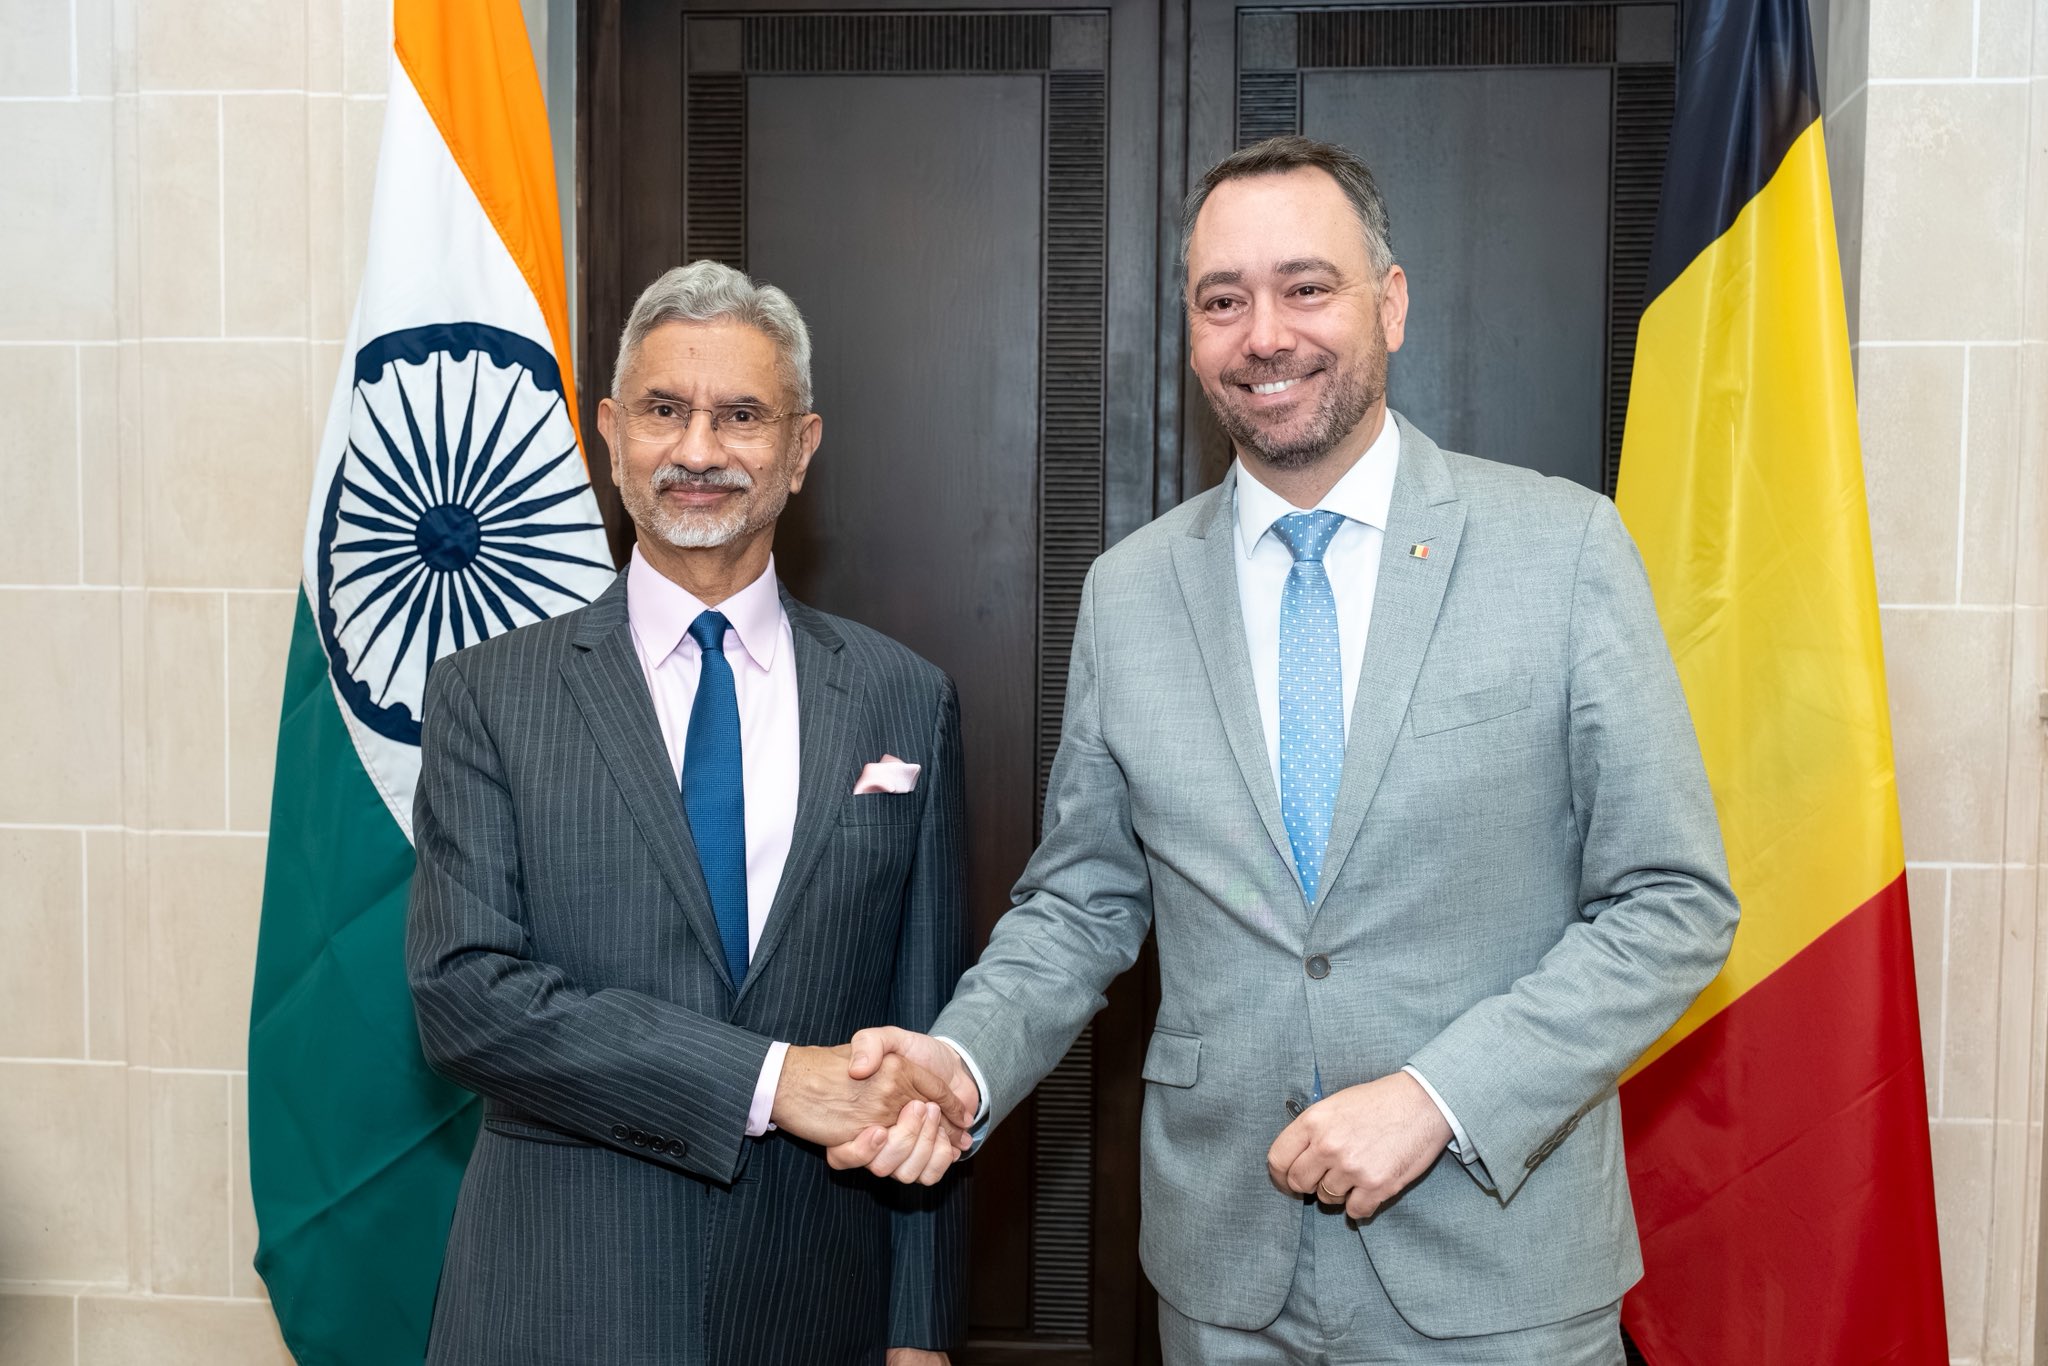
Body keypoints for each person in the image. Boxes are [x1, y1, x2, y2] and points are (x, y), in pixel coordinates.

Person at [835, 135, 1740, 1362]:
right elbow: (1081, 903)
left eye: (1305, 287)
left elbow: (1671, 902)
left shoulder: (1563, 549)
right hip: (1224, 1280)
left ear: (1390, 304)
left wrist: (1437, 1097)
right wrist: (957, 1058)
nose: (1264, 334)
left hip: (1500, 1275)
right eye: (1222, 301)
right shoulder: (1128, 593)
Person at [407, 261, 971, 1365]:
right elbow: (465, 1000)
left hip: (818, 1304)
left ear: (800, 449)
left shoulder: (905, 698)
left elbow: (929, 1031)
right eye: (665, 410)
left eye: (742, 416)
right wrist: (771, 1081)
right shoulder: (488, 695)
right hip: (560, 1302)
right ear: (612, 434)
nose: (700, 450)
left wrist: (920, 1329)